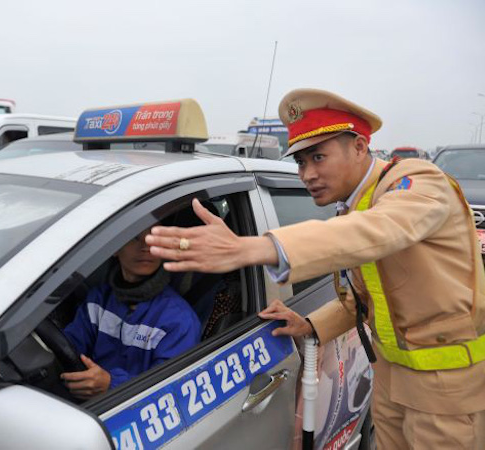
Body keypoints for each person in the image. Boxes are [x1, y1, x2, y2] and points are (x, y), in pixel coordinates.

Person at [145, 88, 485, 449]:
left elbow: (374, 231)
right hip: (390, 381)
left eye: (318, 157)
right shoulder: (353, 206)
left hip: (447, 392)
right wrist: (309, 325)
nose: (307, 174)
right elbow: (364, 302)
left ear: (359, 146)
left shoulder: (418, 182)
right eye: (301, 162)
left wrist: (251, 248)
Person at [61, 227, 201, 399]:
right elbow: (69, 349)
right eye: (134, 237)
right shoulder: (98, 300)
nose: (146, 247)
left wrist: (111, 385)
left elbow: (169, 392)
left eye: (153, 238)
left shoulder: (179, 320)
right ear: (115, 248)